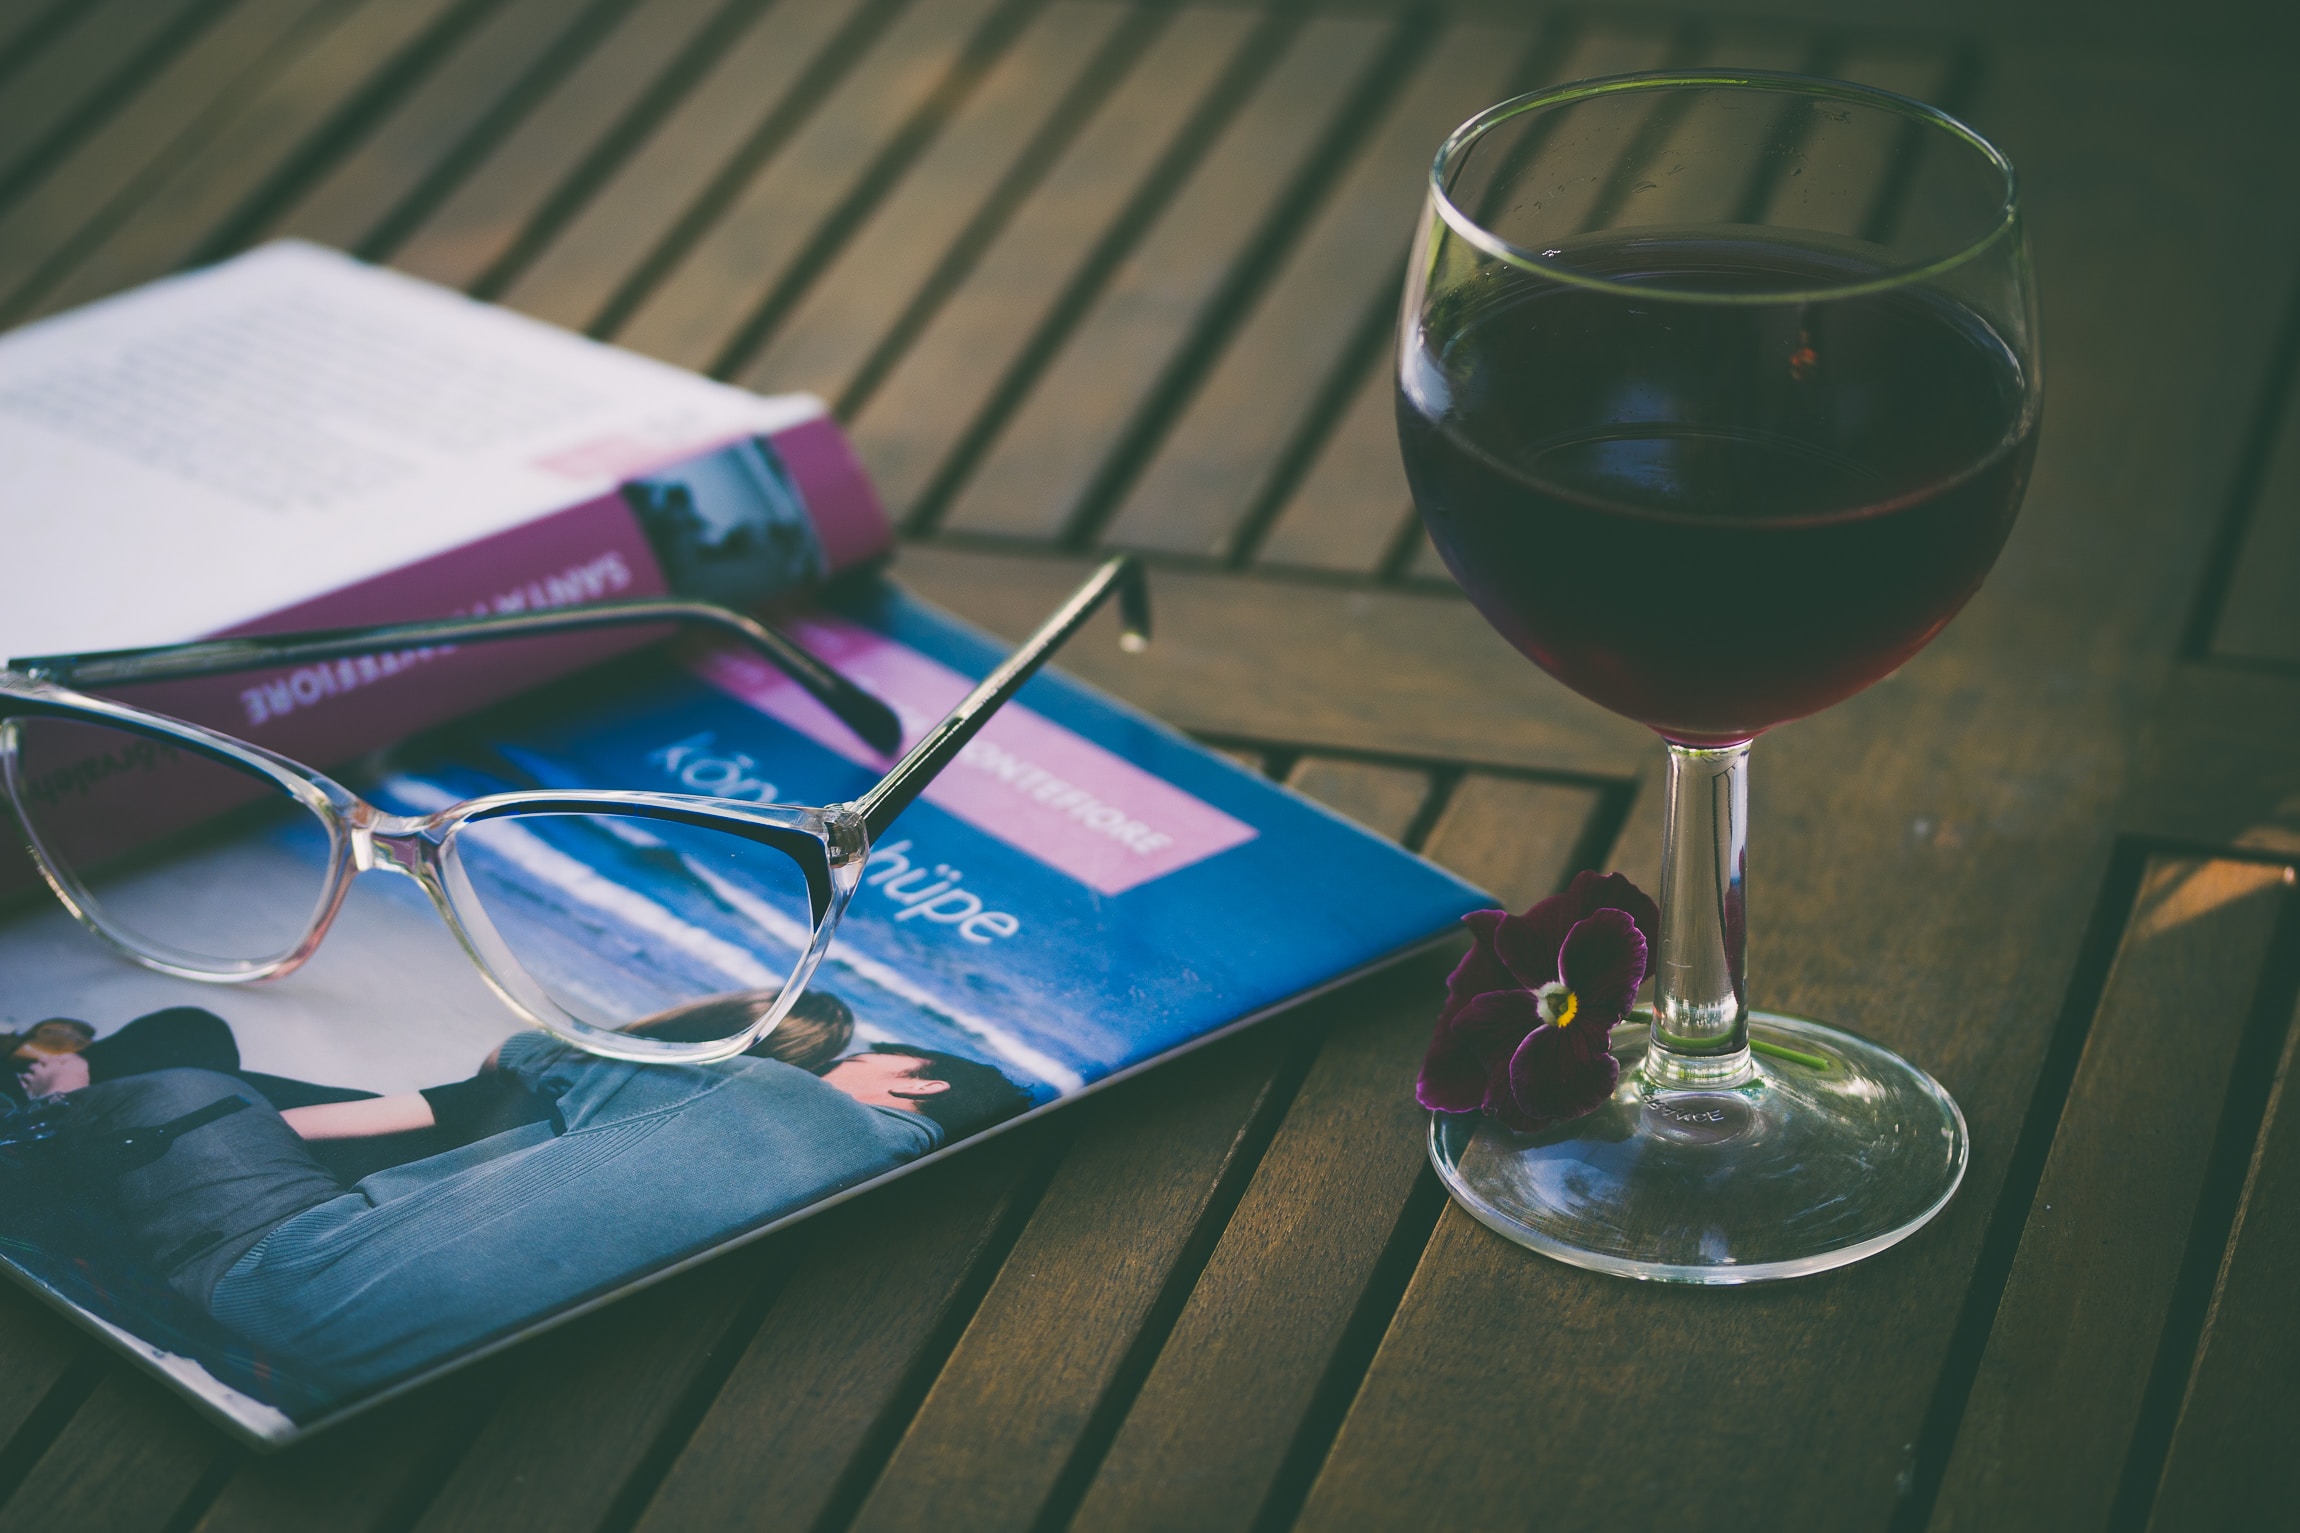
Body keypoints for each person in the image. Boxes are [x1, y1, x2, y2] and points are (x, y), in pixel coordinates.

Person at [50, 1033, 1029, 1394]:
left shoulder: (777, 1095)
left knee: (176, 1069)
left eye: (861, 1061)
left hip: (291, 1274)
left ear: (911, 1083)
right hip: (415, 1379)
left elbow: (531, 1050)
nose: (832, 1072)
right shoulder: (890, 1225)